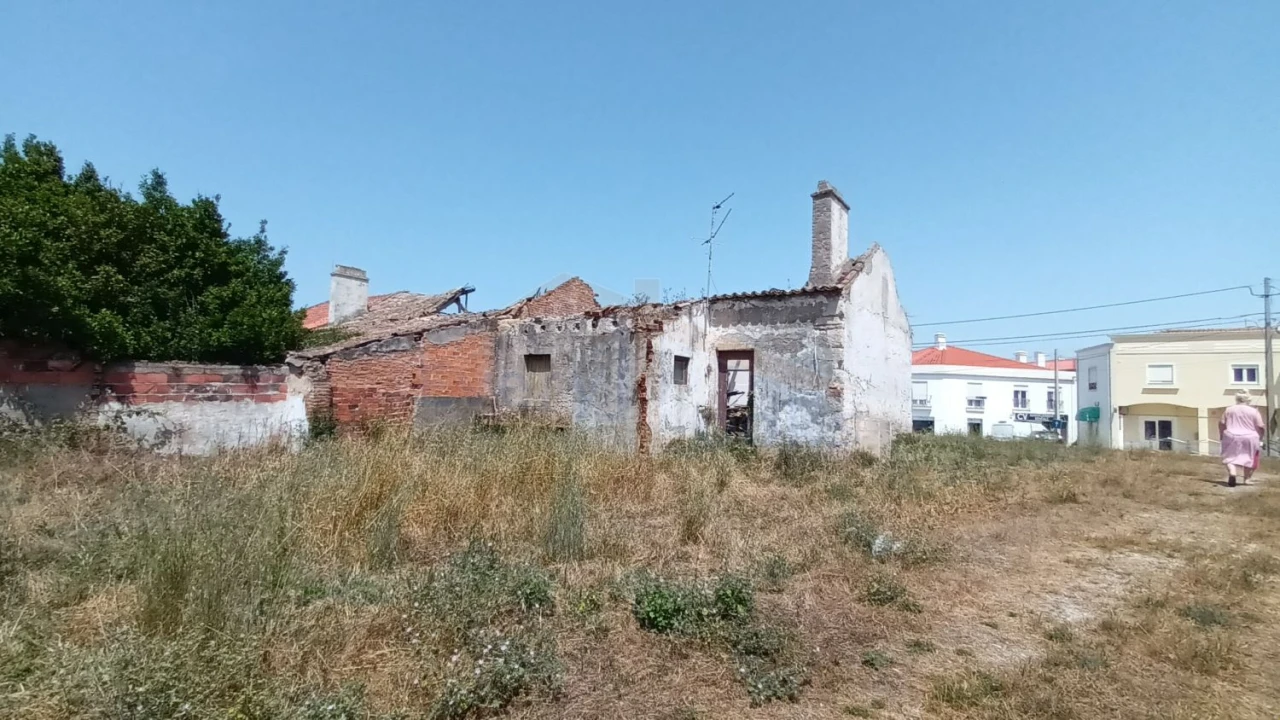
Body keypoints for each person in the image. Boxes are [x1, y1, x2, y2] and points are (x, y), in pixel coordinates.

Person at [1219, 391, 1265, 487]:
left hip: (1231, 435)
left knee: (1229, 457)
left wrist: (1221, 434)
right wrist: (1261, 437)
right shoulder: (1254, 411)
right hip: (1250, 436)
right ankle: (1247, 479)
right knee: (1250, 458)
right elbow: (1260, 426)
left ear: (1237, 399)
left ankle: (1232, 472)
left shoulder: (1229, 410)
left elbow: (1222, 423)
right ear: (1249, 400)